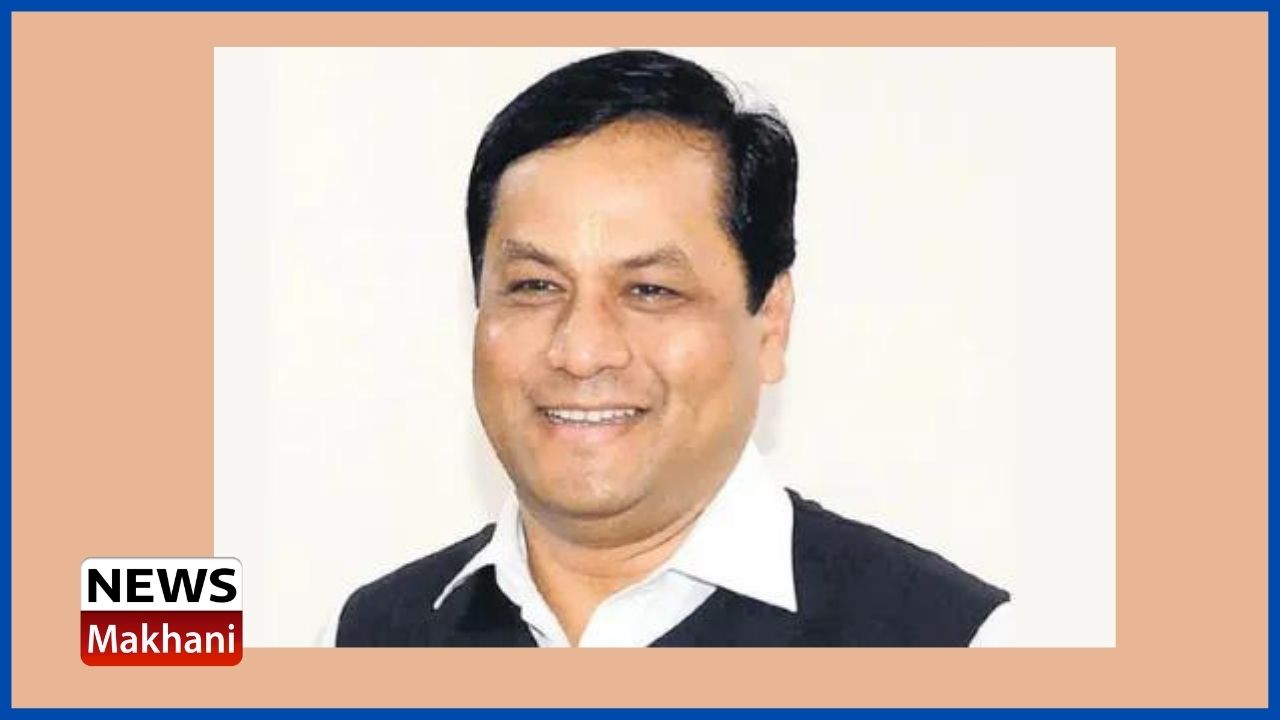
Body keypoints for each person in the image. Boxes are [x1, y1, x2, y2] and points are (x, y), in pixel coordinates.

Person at [335, 49, 1011, 648]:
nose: (582, 351)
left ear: (771, 324)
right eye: (535, 286)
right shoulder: (372, 639)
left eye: (650, 291)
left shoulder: (949, 646)